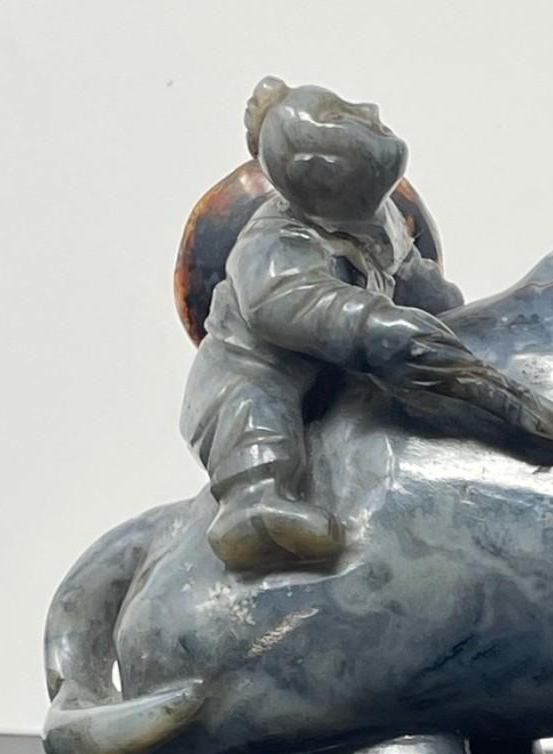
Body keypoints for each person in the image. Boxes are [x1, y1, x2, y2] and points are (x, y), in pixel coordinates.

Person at [180, 76, 468, 571]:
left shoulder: (383, 221)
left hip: (340, 375)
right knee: (255, 408)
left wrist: (449, 313)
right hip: (248, 372)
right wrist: (371, 323)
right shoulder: (272, 241)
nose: (371, 107)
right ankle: (253, 505)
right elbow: (285, 302)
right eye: (343, 115)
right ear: (319, 170)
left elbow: (409, 275)